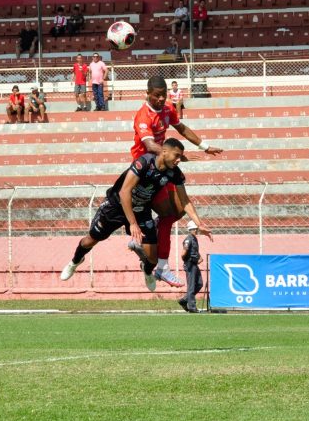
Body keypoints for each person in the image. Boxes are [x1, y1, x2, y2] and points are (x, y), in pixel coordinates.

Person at [61, 138, 211, 289]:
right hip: (116, 207)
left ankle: (147, 271)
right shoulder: (144, 163)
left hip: (141, 210)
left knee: (152, 257)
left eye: (181, 157)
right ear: (164, 152)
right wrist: (132, 223)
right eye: (177, 156)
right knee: (90, 240)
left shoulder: (175, 173)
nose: (180, 160)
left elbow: (184, 200)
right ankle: (75, 261)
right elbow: (124, 191)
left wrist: (199, 224)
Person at [131, 76, 223, 282]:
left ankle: (157, 257)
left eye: (164, 95)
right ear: (147, 94)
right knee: (169, 213)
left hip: (164, 164)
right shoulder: (143, 116)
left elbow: (181, 128)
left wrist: (204, 146)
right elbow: (149, 146)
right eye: (157, 95)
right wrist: (175, 155)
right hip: (145, 170)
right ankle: (158, 260)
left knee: (179, 210)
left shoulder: (167, 109)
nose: (162, 99)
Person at [179, 220, 205, 313]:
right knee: (191, 286)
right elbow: (183, 254)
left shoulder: (194, 239)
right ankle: (192, 307)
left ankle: (184, 300)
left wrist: (199, 257)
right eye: (196, 229)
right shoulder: (188, 239)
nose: (197, 231)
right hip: (190, 264)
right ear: (192, 229)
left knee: (199, 284)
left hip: (194, 264)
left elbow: (195, 251)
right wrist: (188, 262)